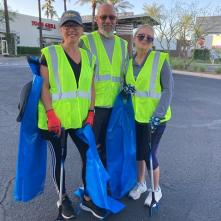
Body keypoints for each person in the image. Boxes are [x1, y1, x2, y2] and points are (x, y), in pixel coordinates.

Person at [39, 10, 106, 219]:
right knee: (60, 160)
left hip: (79, 119)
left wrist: (91, 111)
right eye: (67, 25)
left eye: (75, 25)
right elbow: (44, 87)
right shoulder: (49, 53)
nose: (71, 29)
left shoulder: (89, 57)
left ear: (82, 30)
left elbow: (91, 87)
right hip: (55, 121)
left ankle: (87, 198)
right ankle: (63, 198)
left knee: (88, 154)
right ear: (61, 30)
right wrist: (50, 113)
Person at [127, 25, 173, 206]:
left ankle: (156, 190)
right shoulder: (129, 62)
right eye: (141, 36)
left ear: (153, 42)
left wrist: (158, 115)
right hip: (138, 117)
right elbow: (131, 85)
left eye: (149, 38)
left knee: (150, 154)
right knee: (140, 152)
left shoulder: (160, 59)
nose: (145, 40)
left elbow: (168, 90)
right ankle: (141, 184)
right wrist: (126, 89)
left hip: (156, 119)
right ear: (134, 38)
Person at [80, 3, 128, 167]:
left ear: (116, 20)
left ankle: (107, 184)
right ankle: (92, 188)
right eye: (103, 17)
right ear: (96, 19)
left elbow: (126, 74)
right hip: (93, 107)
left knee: (110, 148)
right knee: (90, 149)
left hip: (115, 107)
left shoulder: (123, 45)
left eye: (112, 17)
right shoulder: (85, 41)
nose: (108, 21)